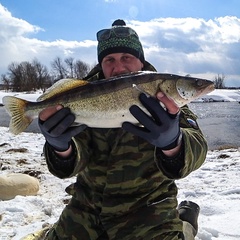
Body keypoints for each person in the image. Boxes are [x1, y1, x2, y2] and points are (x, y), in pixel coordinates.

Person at [34, 19, 207, 240]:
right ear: (101, 64)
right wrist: (60, 148)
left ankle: (187, 222)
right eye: (109, 59)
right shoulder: (82, 95)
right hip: (86, 210)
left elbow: (199, 145)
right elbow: (74, 160)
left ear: (140, 62)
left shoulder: (165, 94)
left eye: (127, 57)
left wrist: (174, 144)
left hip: (148, 212)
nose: (118, 67)